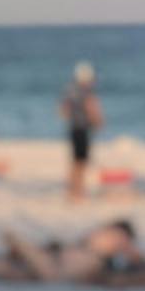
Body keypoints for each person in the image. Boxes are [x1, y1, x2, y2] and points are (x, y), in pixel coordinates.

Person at [0, 220, 142, 283]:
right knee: (21, 269)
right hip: (69, 266)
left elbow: (134, 257)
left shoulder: (111, 234)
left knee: (20, 266)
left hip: (65, 264)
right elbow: (135, 258)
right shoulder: (117, 237)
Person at [59, 61, 104, 201]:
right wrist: (97, 121)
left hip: (73, 128)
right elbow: (91, 107)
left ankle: (72, 190)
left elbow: (63, 111)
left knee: (74, 162)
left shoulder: (70, 90)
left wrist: (73, 117)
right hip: (82, 128)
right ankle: (79, 191)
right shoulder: (86, 91)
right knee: (82, 162)